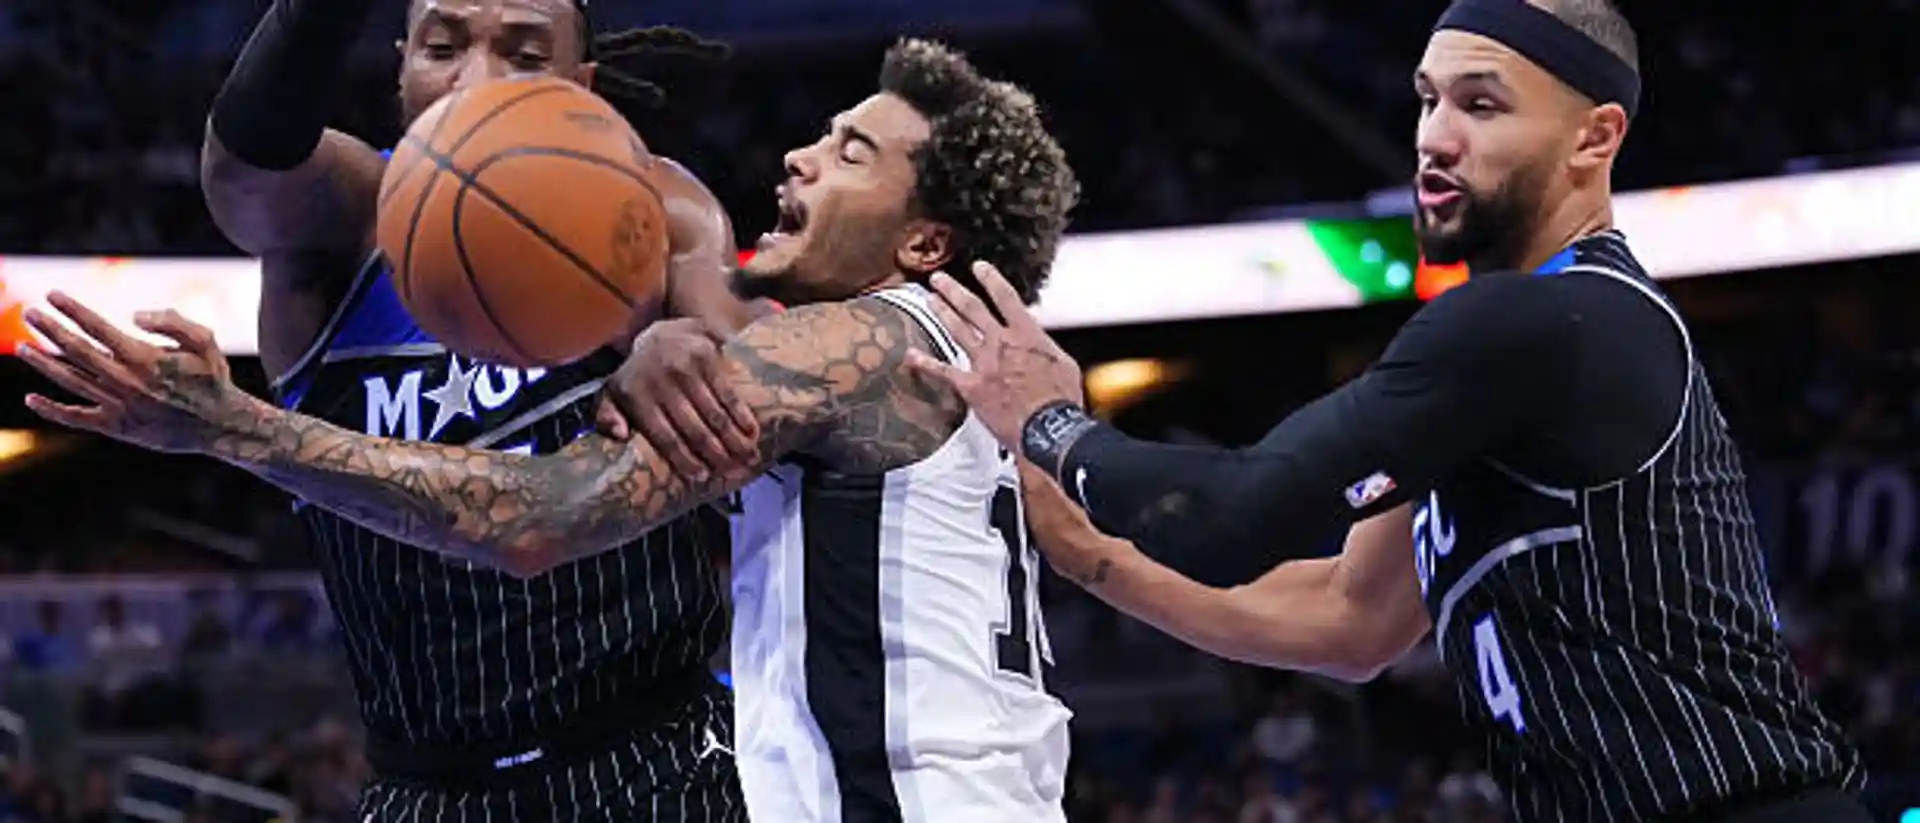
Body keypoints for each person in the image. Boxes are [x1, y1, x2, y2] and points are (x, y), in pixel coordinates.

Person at [19, 38, 1082, 823]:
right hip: (444, 776)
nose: (801, 157)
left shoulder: (842, 339)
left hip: (790, 783)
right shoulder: (928, 355)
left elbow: (545, 517)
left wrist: (233, 428)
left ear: (924, 238)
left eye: (850, 154)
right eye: (443, 40)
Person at [902, 1, 1871, 822]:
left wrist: (1056, 426)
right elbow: (1349, 618)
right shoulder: (1521, 347)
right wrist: (1084, 550)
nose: (1434, 135)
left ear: (1596, 136)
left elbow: (1238, 517)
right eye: (1427, 98)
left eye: (1482, 105)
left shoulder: (1545, 319)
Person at [108, 0, 752, 818]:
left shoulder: (653, 205)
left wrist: (687, 341)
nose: (475, 82)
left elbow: (756, 389)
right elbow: (243, 172)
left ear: (583, 88)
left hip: (665, 758)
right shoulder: (342, 221)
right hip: (427, 786)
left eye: (523, 54)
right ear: (400, 66)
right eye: (442, 47)